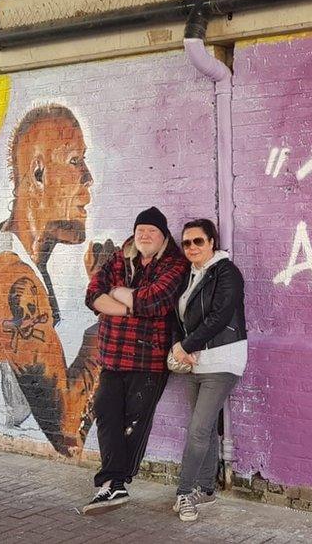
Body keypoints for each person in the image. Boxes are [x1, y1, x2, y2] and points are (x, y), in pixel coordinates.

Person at [0, 104, 115, 457]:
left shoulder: (24, 258)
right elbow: (67, 432)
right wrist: (110, 310)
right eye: (75, 161)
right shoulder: (12, 276)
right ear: (37, 175)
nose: (89, 179)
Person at [81, 206, 189, 515]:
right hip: (112, 355)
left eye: (152, 231)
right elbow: (92, 294)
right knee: (105, 411)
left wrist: (116, 293)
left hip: (148, 358)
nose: (144, 235)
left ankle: (115, 482)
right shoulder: (119, 256)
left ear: (163, 235)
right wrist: (129, 306)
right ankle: (113, 483)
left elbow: (155, 300)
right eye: (141, 229)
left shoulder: (174, 263)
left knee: (134, 422)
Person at [170, 218, 247, 522]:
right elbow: (174, 319)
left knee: (198, 429)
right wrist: (180, 344)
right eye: (186, 242)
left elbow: (220, 316)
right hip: (194, 362)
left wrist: (184, 346)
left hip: (223, 359)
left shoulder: (227, 273)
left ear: (212, 242)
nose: (191, 247)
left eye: (197, 241)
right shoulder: (188, 277)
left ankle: (185, 492)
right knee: (204, 427)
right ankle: (206, 488)